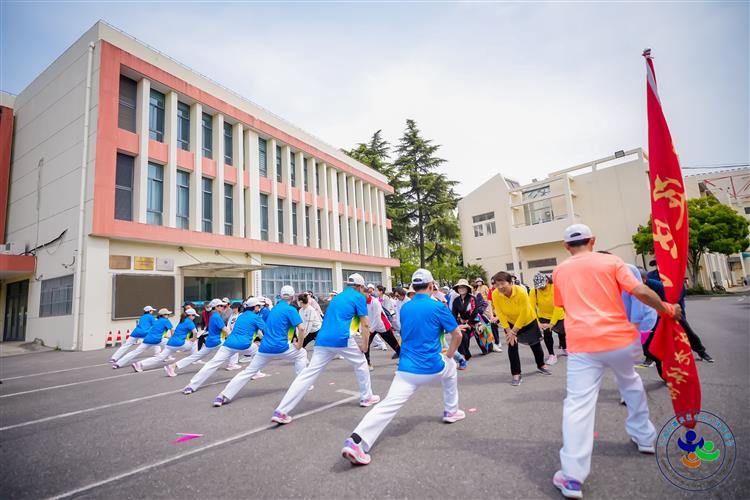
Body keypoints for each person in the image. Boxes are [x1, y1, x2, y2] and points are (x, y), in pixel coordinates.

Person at [551, 224, 682, 499]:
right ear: (593, 240)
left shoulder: (560, 271)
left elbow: (561, 305)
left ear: (566, 246)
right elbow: (641, 291)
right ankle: (645, 438)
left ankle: (572, 477)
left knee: (578, 405)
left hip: (583, 344)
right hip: (620, 340)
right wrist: (667, 309)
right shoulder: (612, 262)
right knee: (630, 382)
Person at [341, 268, 469, 465]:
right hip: (432, 367)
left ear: (413, 287)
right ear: (431, 285)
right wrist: (450, 355)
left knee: (386, 406)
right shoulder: (438, 306)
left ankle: (356, 441)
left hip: (406, 369)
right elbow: (457, 335)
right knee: (451, 367)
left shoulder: (406, 307)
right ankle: (451, 411)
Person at [270, 274, 380, 425]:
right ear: (360, 287)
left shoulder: (337, 297)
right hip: (341, 338)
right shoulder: (359, 297)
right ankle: (366, 397)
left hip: (322, 339)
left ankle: (281, 411)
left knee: (308, 374)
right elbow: (365, 324)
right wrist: (365, 346)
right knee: (361, 363)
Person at [212, 286, 307, 407]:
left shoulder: (274, 309)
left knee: (248, 371)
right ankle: (301, 385)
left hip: (265, 348)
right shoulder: (290, 309)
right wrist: (299, 345)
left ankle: (223, 396)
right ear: (293, 297)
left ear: (280, 295)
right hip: (281, 347)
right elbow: (301, 328)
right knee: (302, 353)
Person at [179, 298, 267, 395]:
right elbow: (266, 330)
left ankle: (191, 386)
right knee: (257, 350)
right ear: (255, 307)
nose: (260, 307)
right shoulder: (256, 317)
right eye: (259, 306)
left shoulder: (241, 316)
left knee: (212, 364)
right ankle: (256, 372)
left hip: (228, 343)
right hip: (243, 345)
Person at [490, 271, 551, 386]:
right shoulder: (495, 294)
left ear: (510, 282)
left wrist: (514, 331)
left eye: (502, 283)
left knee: (535, 344)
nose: (500, 287)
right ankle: (516, 373)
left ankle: (541, 365)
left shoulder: (521, 291)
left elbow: (524, 312)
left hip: (528, 320)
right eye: (497, 284)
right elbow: (500, 313)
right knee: (512, 345)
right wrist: (508, 331)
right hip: (510, 322)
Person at [645, 268, 714, 363]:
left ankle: (701, 352)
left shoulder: (673, 275)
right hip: (657, 311)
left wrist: (672, 306)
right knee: (649, 334)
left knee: (688, 333)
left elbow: (679, 293)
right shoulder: (650, 276)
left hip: (674, 310)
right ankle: (649, 357)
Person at [168, 299, 228, 378]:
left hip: (211, 341)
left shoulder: (213, 315)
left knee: (196, 356)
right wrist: (233, 336)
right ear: (216, 307)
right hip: (216, 341)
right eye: (221, 306)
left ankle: (173, 366)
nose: (223, 307)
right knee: (233, 347)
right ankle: (232, 364)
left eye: (223, 306)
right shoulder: (216, 316)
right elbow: (225, 329)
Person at [529, 272, 567, 365]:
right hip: (543, 316)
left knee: (562, 333)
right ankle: (551, 355)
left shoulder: (555, 288)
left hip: (558, 315)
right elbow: (531, 309)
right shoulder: (534, 291)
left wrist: (552, 324)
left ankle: (564, 347)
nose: (541, 288)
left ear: (547, 281)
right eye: (539, 286)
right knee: (547, 334)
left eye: (542, 286)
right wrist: (538, 323)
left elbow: (558, 307)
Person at [451, 279, 491, 358]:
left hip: (474, 321)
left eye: (463, 287)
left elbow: (474, 313)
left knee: (485, 345)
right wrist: (457, 325)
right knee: (461, 333)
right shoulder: (456, 300)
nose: (461, 289)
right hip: (462, 322)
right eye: (459, 287)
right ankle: (464, 354)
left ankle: (490, 347)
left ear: (467, 288)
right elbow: (454, 314)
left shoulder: (472, 298)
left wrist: (468, 324)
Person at [364, 286, 401, 370]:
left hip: (382, 325)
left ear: (367, 293)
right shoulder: (361, 302)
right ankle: (367, 363)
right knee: (366, 344)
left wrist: (371, 330)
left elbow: (377, 318)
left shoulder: (375, 301)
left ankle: (403, 357)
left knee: (393, 343)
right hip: (370, 326)